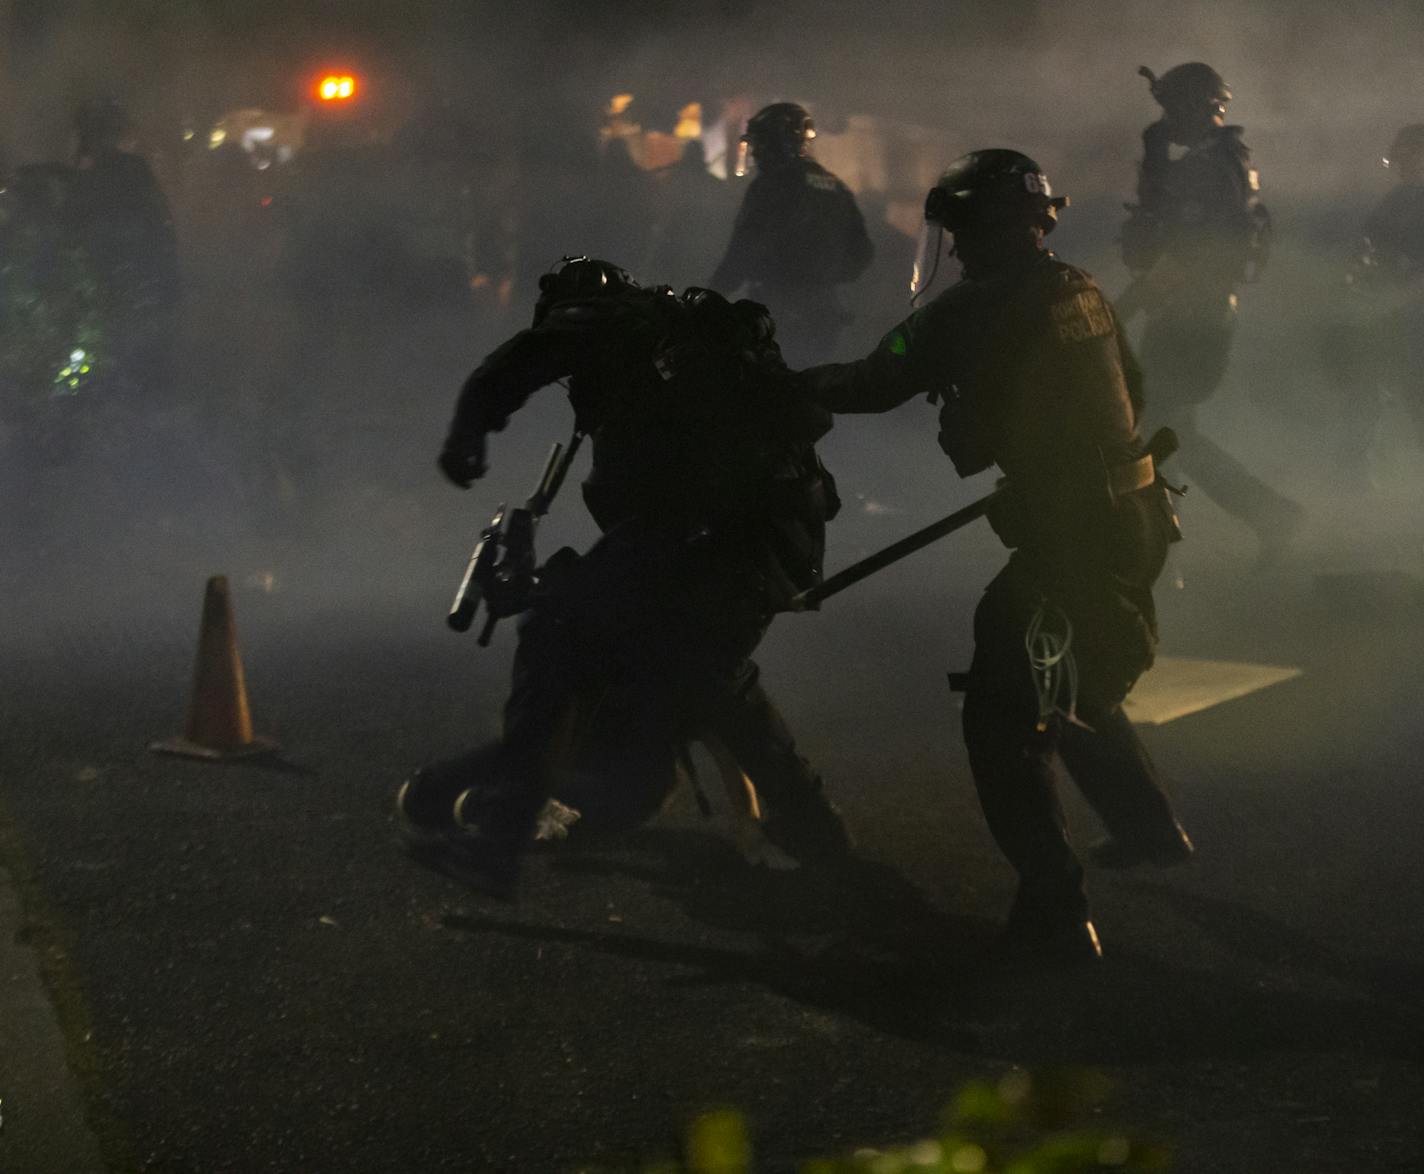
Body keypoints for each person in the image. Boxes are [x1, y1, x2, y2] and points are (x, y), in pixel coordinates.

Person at [795, 151, 1193, 962]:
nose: (956, 247)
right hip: (1135, 513)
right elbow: (1136, 390)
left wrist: (778, 386)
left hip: (1074, 531)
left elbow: (874, 380)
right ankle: (1151, 828)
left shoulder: (972, 309)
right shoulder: (1078, 287)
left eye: (961, 229)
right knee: (1068, 661)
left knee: (1005, 708)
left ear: (985, 227)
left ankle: (1055, 910)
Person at [397, 257, 850, 893]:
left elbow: (523, 358)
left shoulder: (612, 320)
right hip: (772, 545)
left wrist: (469, 429)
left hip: (712, 538)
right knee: (706, 676)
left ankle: (498, 839)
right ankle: (818, 834)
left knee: (556, 628)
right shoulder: (686, 346)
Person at [1119, 63, 1299, 565]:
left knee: (1159, 434)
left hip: (1191, 319)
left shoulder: (1208, 170)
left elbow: (1184, 253)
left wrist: (1120, 310)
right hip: (1194, 316)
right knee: (1172, 433)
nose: (1167, 120)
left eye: (1172, 108)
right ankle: (1260, 516)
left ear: (1192, 108)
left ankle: (1157, 544)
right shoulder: (1221, 160)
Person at [710, 102, 873, 365]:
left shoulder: (771, 186)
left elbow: (744, 248)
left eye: (759, 144)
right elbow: (863, 252)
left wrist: (713, 295)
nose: (755, 154)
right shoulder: (835, 186)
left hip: (777, 315)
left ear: (778, 143)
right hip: (825, 314)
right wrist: (824, 278)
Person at [1324, 124, 1424, 481]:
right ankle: (1353, 475)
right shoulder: (1397, 200)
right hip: (1387, 314)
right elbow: (1368, 246)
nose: (1401, 167)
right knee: (1366, 389)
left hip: (1409, 314)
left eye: (1408, 158)